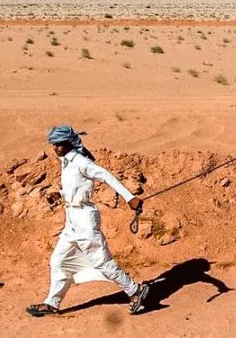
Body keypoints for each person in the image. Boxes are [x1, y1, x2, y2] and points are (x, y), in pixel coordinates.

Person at [26, 125, 150, 317]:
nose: (55, 148)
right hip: (72, 221)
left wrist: (129, 198)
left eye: (58, 144)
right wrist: (58, 194)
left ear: (68, 143)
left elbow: (106, 176)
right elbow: (75, 189)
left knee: (101, 262)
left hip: (85, 219)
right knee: (59, 260)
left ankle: (135, 290)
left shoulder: (81, 162)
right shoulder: (66, 162)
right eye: (53, 144)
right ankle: (52, 303)